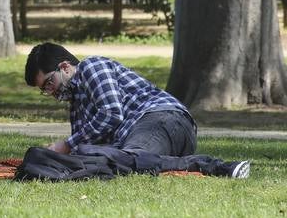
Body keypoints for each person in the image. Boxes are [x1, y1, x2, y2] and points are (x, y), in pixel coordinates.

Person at [25, 42, 197, 157]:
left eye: (49, 83)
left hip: (163, 118)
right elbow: (84, 147)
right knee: (98, 157)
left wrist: (67, 145)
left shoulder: (91, 66)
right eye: (44, 89)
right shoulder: (77, 103)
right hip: (144, 134)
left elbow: (112, 113)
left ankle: (206, 165)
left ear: (65, 67)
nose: (50, 91)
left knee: (129, 160)